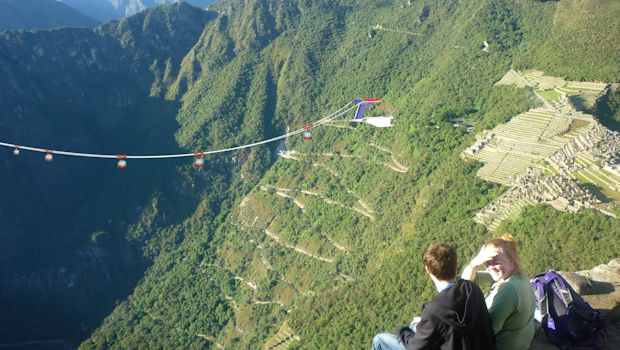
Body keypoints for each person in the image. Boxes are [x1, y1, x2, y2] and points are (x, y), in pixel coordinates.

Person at [372, 242, 495, 350]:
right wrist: (426, 322)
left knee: (379, 340)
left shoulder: (434, 311)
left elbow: (415, 347)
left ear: (428, 270)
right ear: (455, 263)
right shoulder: (472, 289)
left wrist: (402, 330)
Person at [461, 234, 536, 350]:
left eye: (495, 261)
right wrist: (474, 263)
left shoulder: (508, 289)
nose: (490, 267)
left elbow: (485, 333)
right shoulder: (517, 274)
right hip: (522, 343)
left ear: (511, 261)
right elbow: (467, 281)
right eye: (487, 262)